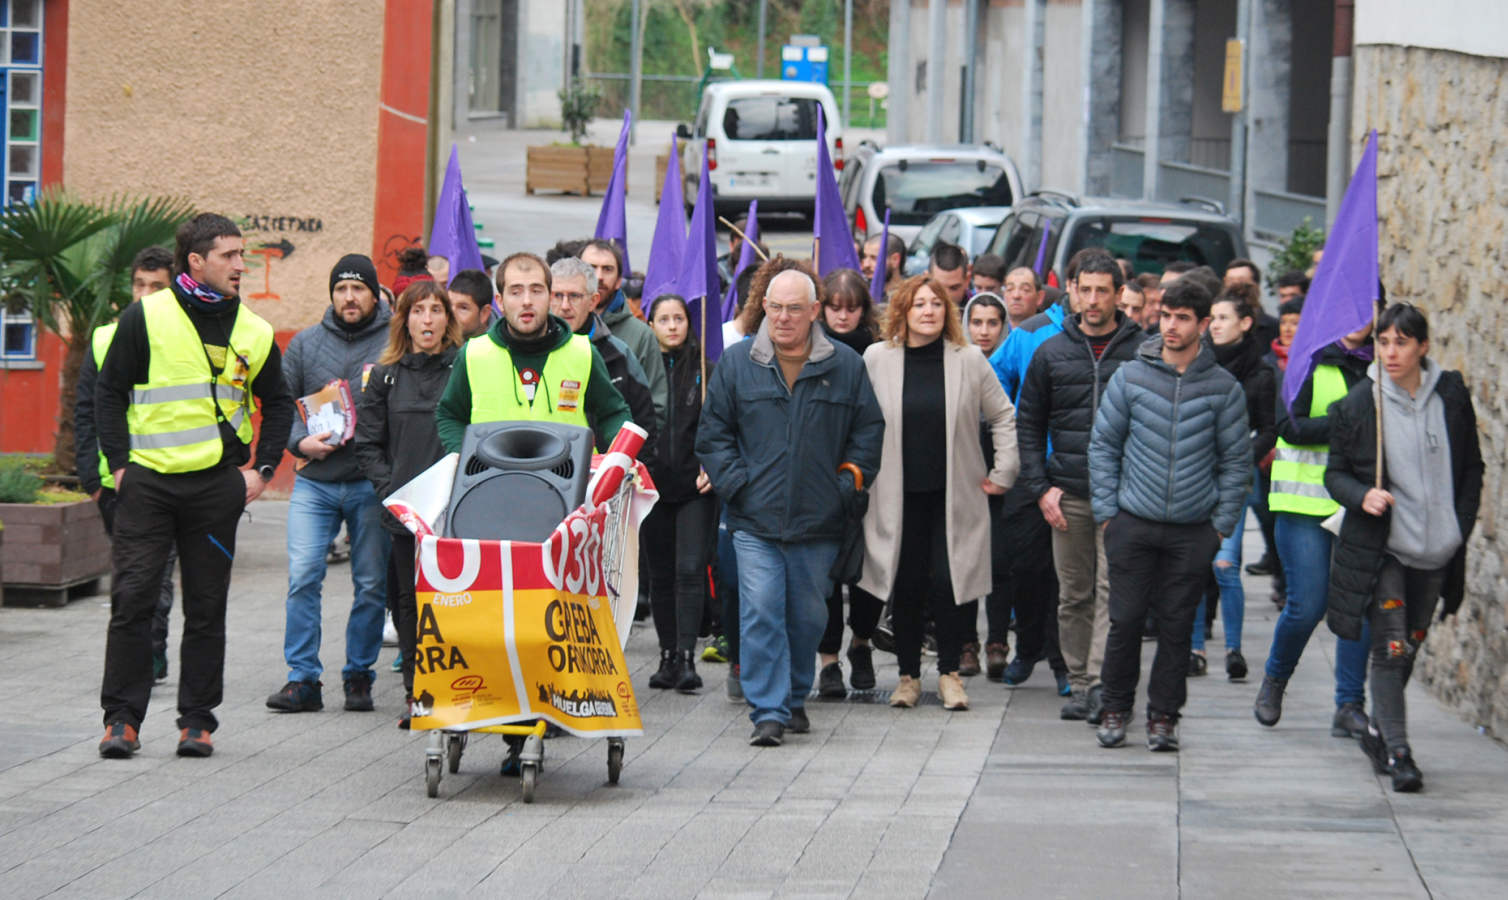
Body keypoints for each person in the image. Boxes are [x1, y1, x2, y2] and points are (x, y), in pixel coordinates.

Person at [95, 213, 293, 758]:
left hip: (214, 489)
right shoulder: (147, 316)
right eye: (230, 255)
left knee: (206, 606)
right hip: (148, 485)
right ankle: (121, 720)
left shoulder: (253, 329)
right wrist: (118, 465)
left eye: (241, 254)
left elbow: (277, 403)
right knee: (133, 600)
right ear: (197, 261)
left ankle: (198, 720)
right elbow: (108, 392)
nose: (241, 265)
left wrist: (263, 469)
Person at [696, 264, 884, 747]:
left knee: (807, 617)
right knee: (760, 610)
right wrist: (737, 484)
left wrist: (847, 483)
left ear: (814, 312)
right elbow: (714, 434)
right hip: (753, 521)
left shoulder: (844, 365)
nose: (782, 317)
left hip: (818, 523)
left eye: (794, 309)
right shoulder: (738, 364)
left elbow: (868, 432)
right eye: (774, 307)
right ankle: (769, 711)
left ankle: (795, 694)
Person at [1324, 303, 1482, 793]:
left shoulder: (1451, 397)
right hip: (1386, 548)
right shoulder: (1358, 405)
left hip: (1436, 551)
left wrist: (1460, 524)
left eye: (1401, 343)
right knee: (1390, 650)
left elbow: (1473, 467)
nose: (1390, 352)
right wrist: (1362, 494)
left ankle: (1377, 728)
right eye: (1383, 342)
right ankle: (1399, 752)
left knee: (1408, 646)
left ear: (1423, 347)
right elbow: (1335, 474)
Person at [1090, 277, 1251, 751]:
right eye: (1166, 316)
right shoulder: (1131, 376)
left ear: (1204, 324)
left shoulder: (1223, 388)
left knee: (1178, 626)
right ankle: (1116, 709)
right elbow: (1104, 445)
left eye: (1183, 318)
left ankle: (1164, 717)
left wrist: (1220, 525)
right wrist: (1107, 511)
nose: (1172, 326)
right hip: (1131, 521)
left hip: (1192, 528)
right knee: (1125, 619)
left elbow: (1236, 461)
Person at [860, 276, 1018, 710]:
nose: (928, 311)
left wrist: (1003, 471)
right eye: (918, 304)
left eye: (935, 303)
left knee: (952, 584)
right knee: (906, 586)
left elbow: (1004, 416)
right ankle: (908, 677)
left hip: (955, 494)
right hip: (897, 495)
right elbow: (857, 419)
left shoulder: (967, 359)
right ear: (902, 312)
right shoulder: (877, 358)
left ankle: (950, 674)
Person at [1015, 251, 1143, 722]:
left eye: (1102, 291)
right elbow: (1027, 423)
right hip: (1066, 493)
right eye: (1084, 289)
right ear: (1070, 290)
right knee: (1074, 593)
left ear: (1118, 294)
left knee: (1115, 592)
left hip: (1126, 498)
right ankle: (1080, 682)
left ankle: (1103, 684)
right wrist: (1040, 486)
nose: (1092, 300)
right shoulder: (1052, 351)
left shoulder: (1141, 351)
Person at [266, 254, 393, 715]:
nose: (350, 297)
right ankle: (302, 680)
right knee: (303, 577)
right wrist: (301, 446)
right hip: (315, 484)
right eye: (341, 289)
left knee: (371, 584)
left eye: (359, 289)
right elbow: (280, 410)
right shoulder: (303, 345)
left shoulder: (393, 343)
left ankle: (359, 675)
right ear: (332, 294)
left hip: (367, 484)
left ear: (375, 293)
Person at [1254, 317, 1375, 738]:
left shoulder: (1384, 364)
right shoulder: (1309, 360)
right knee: (1307, 606)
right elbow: (1290, 427)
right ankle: (1275, 679)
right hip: (1304, 506)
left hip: (1360, 507)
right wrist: (1349, 426)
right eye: (1352, 311)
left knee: (1357, 608)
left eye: (1367, 312)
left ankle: (1349, 705)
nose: (1359, 321)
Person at [352, 281, 462, 728]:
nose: (428, 320)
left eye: (437, 310)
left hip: (452, 509)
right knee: (407, 603)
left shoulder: (463, 369)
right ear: (405, 320)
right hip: (403, 512)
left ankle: (457, 686)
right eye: (419, 311)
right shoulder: (384, 377)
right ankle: (418, 693)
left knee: (454, 601)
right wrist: (393, 492)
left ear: (448, 320)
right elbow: (367, 444)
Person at [76, 246, 178, 682]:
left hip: (167, 475)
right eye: (139, 285)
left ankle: (151, 652)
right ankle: (132, 654)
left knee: (160, 574)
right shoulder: (104, 338)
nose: (145, 294)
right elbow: (85, 411)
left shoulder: (181, 342)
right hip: (113, 483)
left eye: (156, 287)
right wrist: (92, 479)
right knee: (130, 576)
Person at [435, 251, 632, 455]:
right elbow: (450, 415)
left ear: (549, 296)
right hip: (493, 482)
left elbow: (614, 413)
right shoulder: (473, 355)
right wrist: (464, 457)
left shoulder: (583, 353)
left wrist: (617, 459)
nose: (527, 301)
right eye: (516, 292)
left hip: (566, 481)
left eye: (537, 291)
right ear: (500, 302)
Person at [1188, 287, 1274, 680]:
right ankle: (1194, 648)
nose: (1216, 325)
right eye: (1213, 318)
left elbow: (1271, 428)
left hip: (1234, 479)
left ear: (1245, 323)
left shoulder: (1261, 372)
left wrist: (1241, 455)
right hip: (1194, 477)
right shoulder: (1195, 365)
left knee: (1225, 563)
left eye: (1224, 318)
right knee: (1192, 565)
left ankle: (1234, 650)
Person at [639, 293, 719, 693]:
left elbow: (720, 425)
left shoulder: (706, 369)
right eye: (664, 319)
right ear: (650, 324)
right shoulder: (642, 368)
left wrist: (714, 465)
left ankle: (687, 656)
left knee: (690, 570)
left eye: (679, 318)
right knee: (660, 574)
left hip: (694, 488)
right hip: (652, 486)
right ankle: (667, 654)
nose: (672, 326)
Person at [814, 269, 884, 695]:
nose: (842, 317)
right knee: (824, 573)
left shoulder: (878, 352)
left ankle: (861, 642)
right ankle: (828, 661)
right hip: (822, 472)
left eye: (851, 308)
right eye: (834, 307)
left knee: (867, 570)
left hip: (867, 473)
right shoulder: (812, 347)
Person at [547, 256, 659, 448]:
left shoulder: (619, 354)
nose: (565, 306)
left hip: (605, 474)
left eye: (574, 296)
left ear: (593, 301)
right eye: (557, 295)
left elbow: (644, 425)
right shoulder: (532, 349)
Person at [579, 239, 667, 427]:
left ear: (619, 281)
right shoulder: (558, 328)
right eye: (591, 267)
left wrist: (624, 453)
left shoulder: (641, 335)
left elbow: (655, 408)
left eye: (608, 269)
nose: (599, 276)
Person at [1222, 258, 1278, 347]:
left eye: (1241, 281)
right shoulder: (1215, 328)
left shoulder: (1273, 327)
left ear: (1255, 285)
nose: (1235, 287)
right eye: (1230, 281)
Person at [446, 268, 495, 338]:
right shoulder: (438, 340)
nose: (451, 315)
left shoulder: (505, 345)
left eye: (463, 308)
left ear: (484, 313)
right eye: (449, 305)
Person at [1002, 266, 1043, 331]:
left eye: (1025, 290)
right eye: (1010, 289)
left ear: (1040, 297)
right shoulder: (994, 333)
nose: (1016, 295)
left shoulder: (1050, 335)